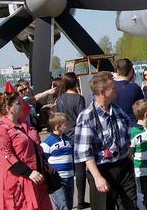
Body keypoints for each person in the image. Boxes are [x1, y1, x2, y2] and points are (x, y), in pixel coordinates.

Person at [74, 71, 137, 209]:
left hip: (123, 166)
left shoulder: (118, 110)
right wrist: (97, 177)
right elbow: (84, 152)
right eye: (113, 87)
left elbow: (127, 137)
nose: (117, 89)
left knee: (130, 206)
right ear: (103, 91)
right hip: (101, 170)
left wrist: (130, 159)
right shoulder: (87, 117)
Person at [0, 91, 53, 210]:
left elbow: (36, 146)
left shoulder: (25, 124)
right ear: (9, 108)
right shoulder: (1, 130)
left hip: (36, 179)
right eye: (19, 103)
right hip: (17, 182)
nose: (23, 105)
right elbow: (6, 157)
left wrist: (45, 163)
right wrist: (29, 172)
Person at [54, 72, 89, 209]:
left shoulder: (59, 99)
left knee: (67, 170)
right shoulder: (79, 98)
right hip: (77, 136)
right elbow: (82, 118)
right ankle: (81, 200)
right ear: (76, 83)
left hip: (64, 136)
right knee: (80, 169)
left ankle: (66, 201)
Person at [42, 113, 75, 210]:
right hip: (57, 179)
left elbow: (71, 157)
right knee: (62, 205)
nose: (68, 126)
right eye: (65, 125)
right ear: (57, 127)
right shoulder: (48, 143)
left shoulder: (68, 140)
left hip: (69, 177)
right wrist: (48, 166)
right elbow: (43, 159)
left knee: (69, 204)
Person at [114, 58, 145, 125]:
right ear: (131, 72)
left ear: (118, 71)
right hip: (132, 126)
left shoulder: (110, 87)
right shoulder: (135, 88)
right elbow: (143, 108)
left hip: (115, 125)